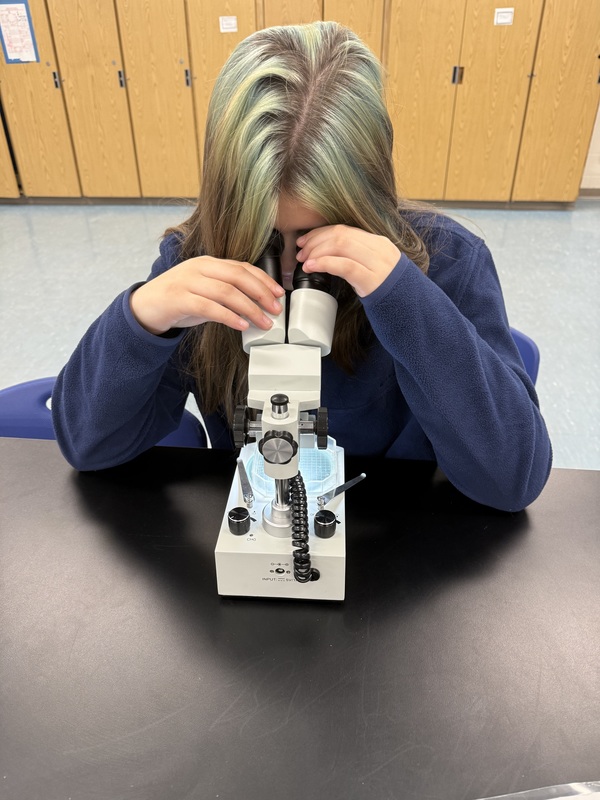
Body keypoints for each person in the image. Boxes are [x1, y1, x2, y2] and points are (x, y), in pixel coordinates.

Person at [52, 21, 552, 512]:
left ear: (367, 208)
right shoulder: (198, 263)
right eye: (264, 240)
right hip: (262, 515)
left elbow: (512, 481)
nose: (289, 270)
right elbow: (89, 446)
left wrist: (404, 298)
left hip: (403, 545)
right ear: (228, 213)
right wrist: (142, 320)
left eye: (319, 237)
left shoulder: (447, 265)